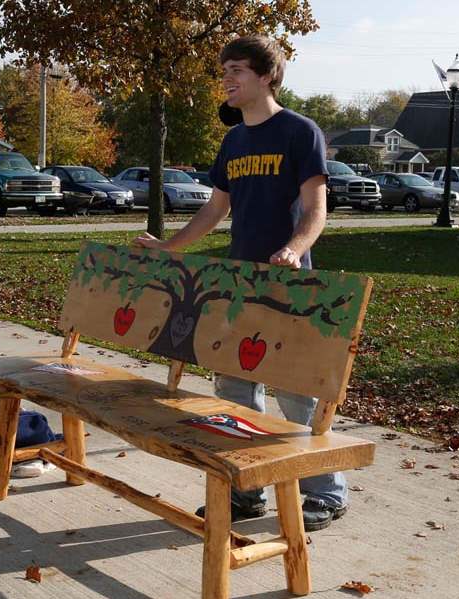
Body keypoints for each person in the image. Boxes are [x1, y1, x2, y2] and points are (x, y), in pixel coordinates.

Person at [133, 36, 340, 531]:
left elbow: (316, 209)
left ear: (267, 75)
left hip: (290, 286)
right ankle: (249, 492)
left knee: (297, 392)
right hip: (236, 282)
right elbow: (214, 209)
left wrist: (293, 248)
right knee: (235, 391)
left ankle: (324, 493)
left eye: (237, 70)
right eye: (224, 70)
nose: (227, 79)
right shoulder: (233, 141)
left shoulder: (299, 131)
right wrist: (168, 248)